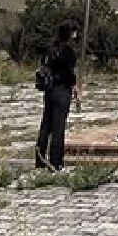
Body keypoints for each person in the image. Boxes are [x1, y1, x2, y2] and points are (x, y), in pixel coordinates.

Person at [36, 20, 80, 171]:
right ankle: (56, 162)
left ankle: (40, 159)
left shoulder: (50, 49)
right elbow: (69, 74)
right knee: (58, 127)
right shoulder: (67, 51)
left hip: (49, 89)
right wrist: (75, 89)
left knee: (46, 125)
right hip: (62, 90)